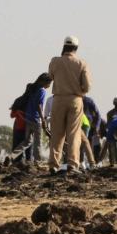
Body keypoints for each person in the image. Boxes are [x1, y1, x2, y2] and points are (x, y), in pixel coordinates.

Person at [43, 36, 92, 172]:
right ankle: (72, 163)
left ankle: (53, 164)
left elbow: (50, 77)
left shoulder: (55, 61)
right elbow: (87, 87)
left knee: (57, 133)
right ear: (76, 48)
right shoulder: (81, 63)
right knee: (74, 133)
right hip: (75, 99)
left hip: (58, 99)